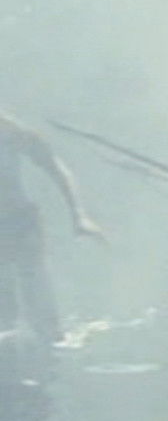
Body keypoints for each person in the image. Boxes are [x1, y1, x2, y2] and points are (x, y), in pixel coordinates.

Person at [0, 110, 100, 344]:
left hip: (18, 222)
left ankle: (51, 341)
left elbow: (56, 168)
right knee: (6, 309)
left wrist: (79, 215)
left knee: (39, 299)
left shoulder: (10, 130)